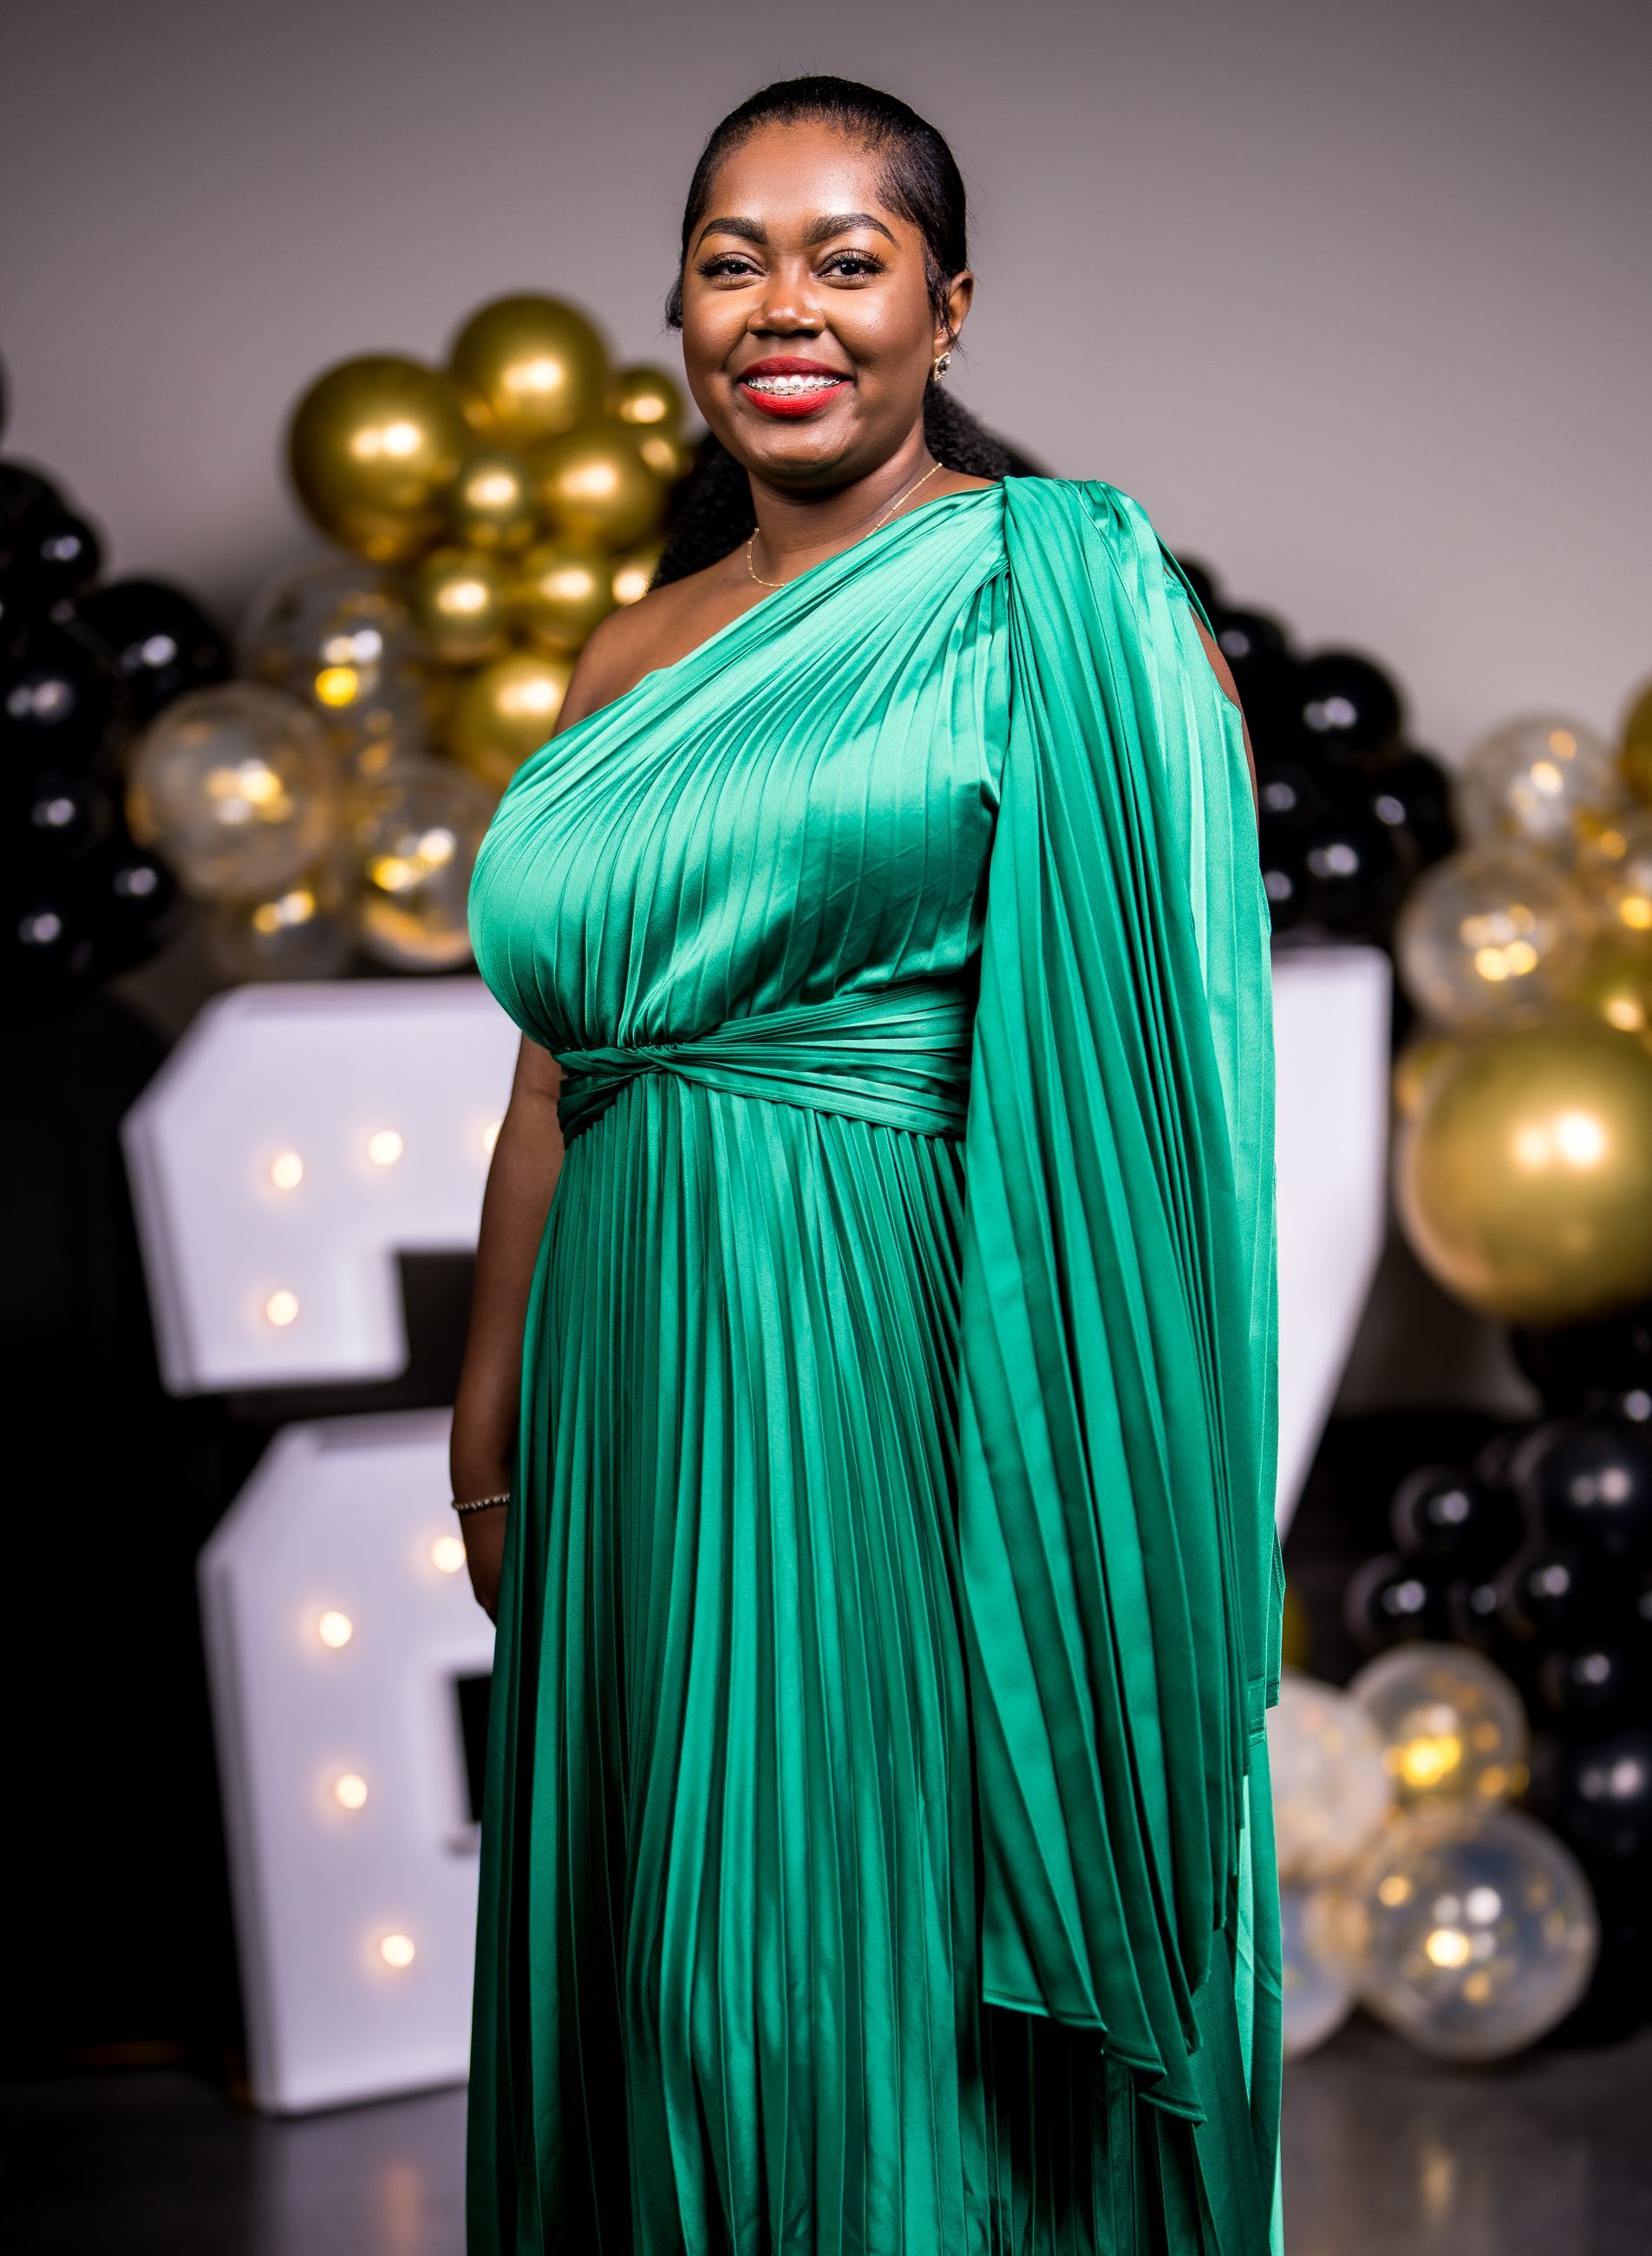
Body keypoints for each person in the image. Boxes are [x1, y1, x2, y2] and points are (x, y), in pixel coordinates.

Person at [450, 74, 1283, 2256]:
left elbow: (1163, 1031)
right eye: (735, 261)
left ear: (948, 306)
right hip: (626, 1374)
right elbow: (560, 1075)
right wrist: (486, 1410)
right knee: (654, 1960)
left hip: (896, 1363)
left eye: (847, 257)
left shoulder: (1067, 598)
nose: (783, 306)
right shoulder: (628, 653)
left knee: (841, 1948)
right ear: (684, 312)